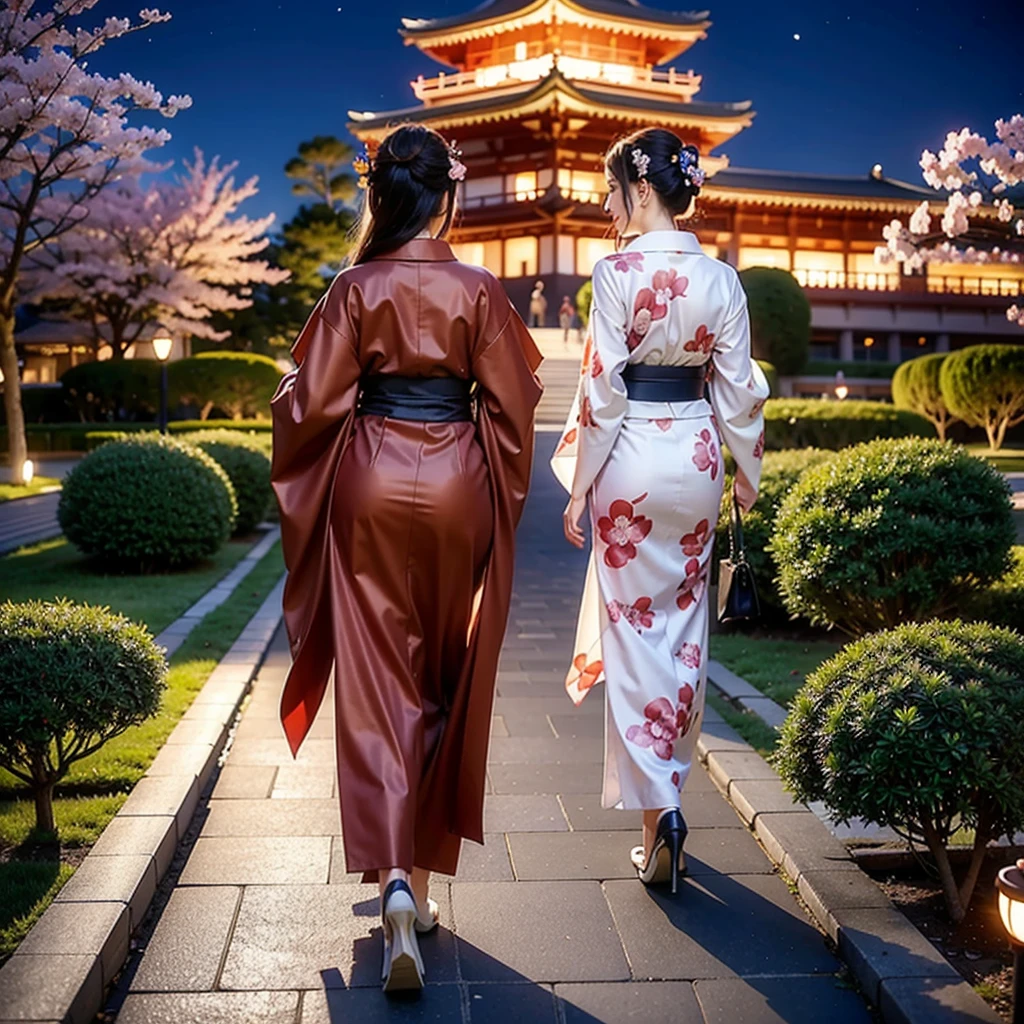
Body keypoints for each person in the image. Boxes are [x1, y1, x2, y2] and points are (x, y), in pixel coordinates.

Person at [271, 123, 542, 992]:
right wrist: (495, 491)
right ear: (448, 195)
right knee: (441, 678)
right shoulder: (480, 289)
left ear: (383, 197)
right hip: (458, 473)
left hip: (370, 478)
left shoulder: (354, 287)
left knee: (378, 680)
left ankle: (392, 880)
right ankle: (416, 891)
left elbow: (305, 405)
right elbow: (514, 406)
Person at [551, 127, 768, 894]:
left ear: (642, 190)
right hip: (700, 454)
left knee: (635, 636)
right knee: (681, 630)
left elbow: (604, 387)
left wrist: (580, 483)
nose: (608, 209)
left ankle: (662, 814)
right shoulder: (724, 280)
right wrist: (747, 468)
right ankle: (666, 807)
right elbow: (740, 384)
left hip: (633, 460)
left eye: (613, 192)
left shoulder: (616, 272)